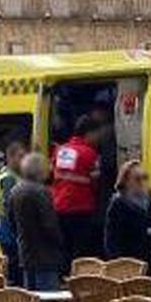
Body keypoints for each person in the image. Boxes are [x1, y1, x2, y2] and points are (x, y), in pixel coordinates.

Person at [7, 152, 64, 292]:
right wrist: (60, 243)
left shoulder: (15, 190)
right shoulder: (41, 192)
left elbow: (11, 221)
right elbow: (49, 224)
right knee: (49, 299)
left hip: (26, 252)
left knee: (31, 297)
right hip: (46, 255)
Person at [51, 114, 103, 268]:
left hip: (59, 207)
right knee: (80, 252)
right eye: (97, 134)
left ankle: (64, 280)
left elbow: (54, 175)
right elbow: (96, 182)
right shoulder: (90, 154)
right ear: (89, 133)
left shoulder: (60, 150)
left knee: (64, 249)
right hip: (81, 209)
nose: (98, 139)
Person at [103, 160, 151, 278]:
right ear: (126, 181)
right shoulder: (119, 204)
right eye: (138, 179)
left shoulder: (150, 198)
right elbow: (111, 238)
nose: (142, 182)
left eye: (145, 178)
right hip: (132, 262)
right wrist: (118, 265)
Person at [0, 140, 27, 283]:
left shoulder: (8, 173)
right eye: (21, 156)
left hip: (8, 231)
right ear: (11, 157)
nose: (24, 160)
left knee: (15, 271)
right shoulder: (9, 178)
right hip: (9, 233)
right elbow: (10, 207)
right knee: (15, 273)